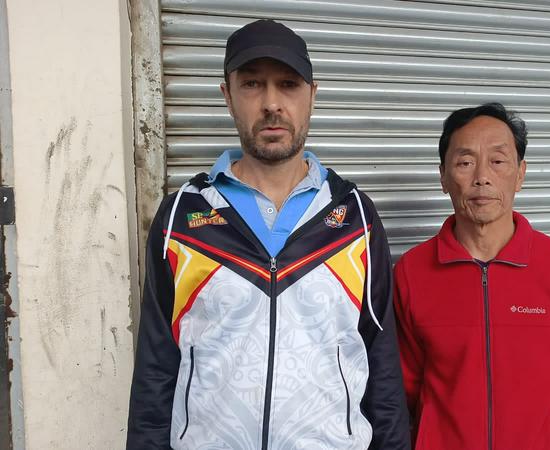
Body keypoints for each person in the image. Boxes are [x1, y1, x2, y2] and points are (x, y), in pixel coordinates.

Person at [127, 19, 409, 449]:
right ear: (227, 95)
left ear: (312, 95)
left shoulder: (355, 218)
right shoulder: (182, 218)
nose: (272, 103)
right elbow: (155, 370)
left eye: (288, 85)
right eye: (253, 84)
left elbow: (382, 366)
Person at [393, 103, 550, 449]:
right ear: (443, 176)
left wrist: (549, 429)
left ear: (520, 174)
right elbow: (407, 382)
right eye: (465, 163)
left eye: (497, 161)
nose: (482, 177)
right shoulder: (412, 272)